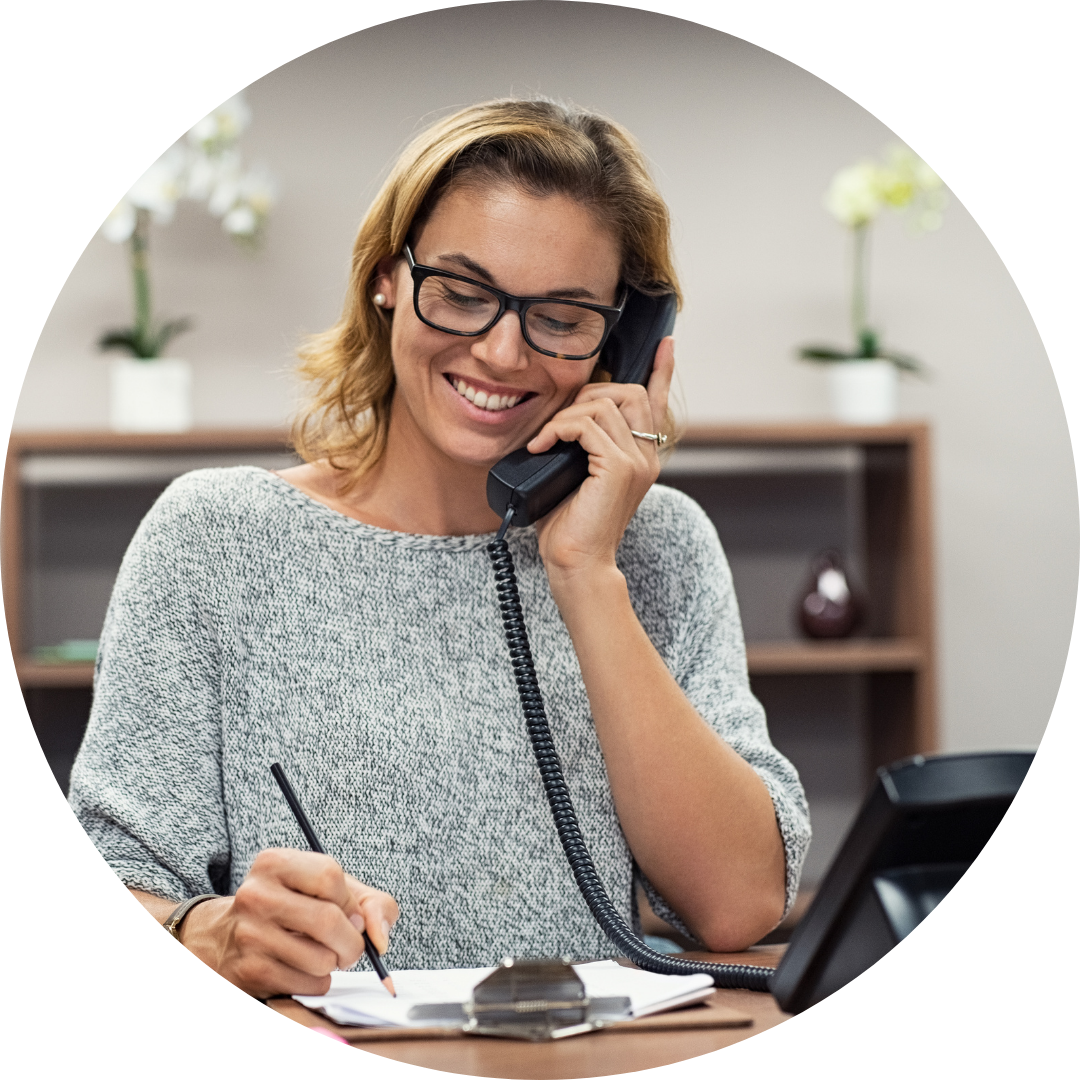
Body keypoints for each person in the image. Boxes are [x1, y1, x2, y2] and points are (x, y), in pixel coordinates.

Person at [70, 98, 810, 999]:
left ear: (622, 336)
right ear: (388, 277)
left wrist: (583, 572)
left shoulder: (654, 547)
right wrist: (213, 935)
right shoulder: (216, 539)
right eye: (460, 293)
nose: (501, 352)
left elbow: (738, 907)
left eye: (564, 316)